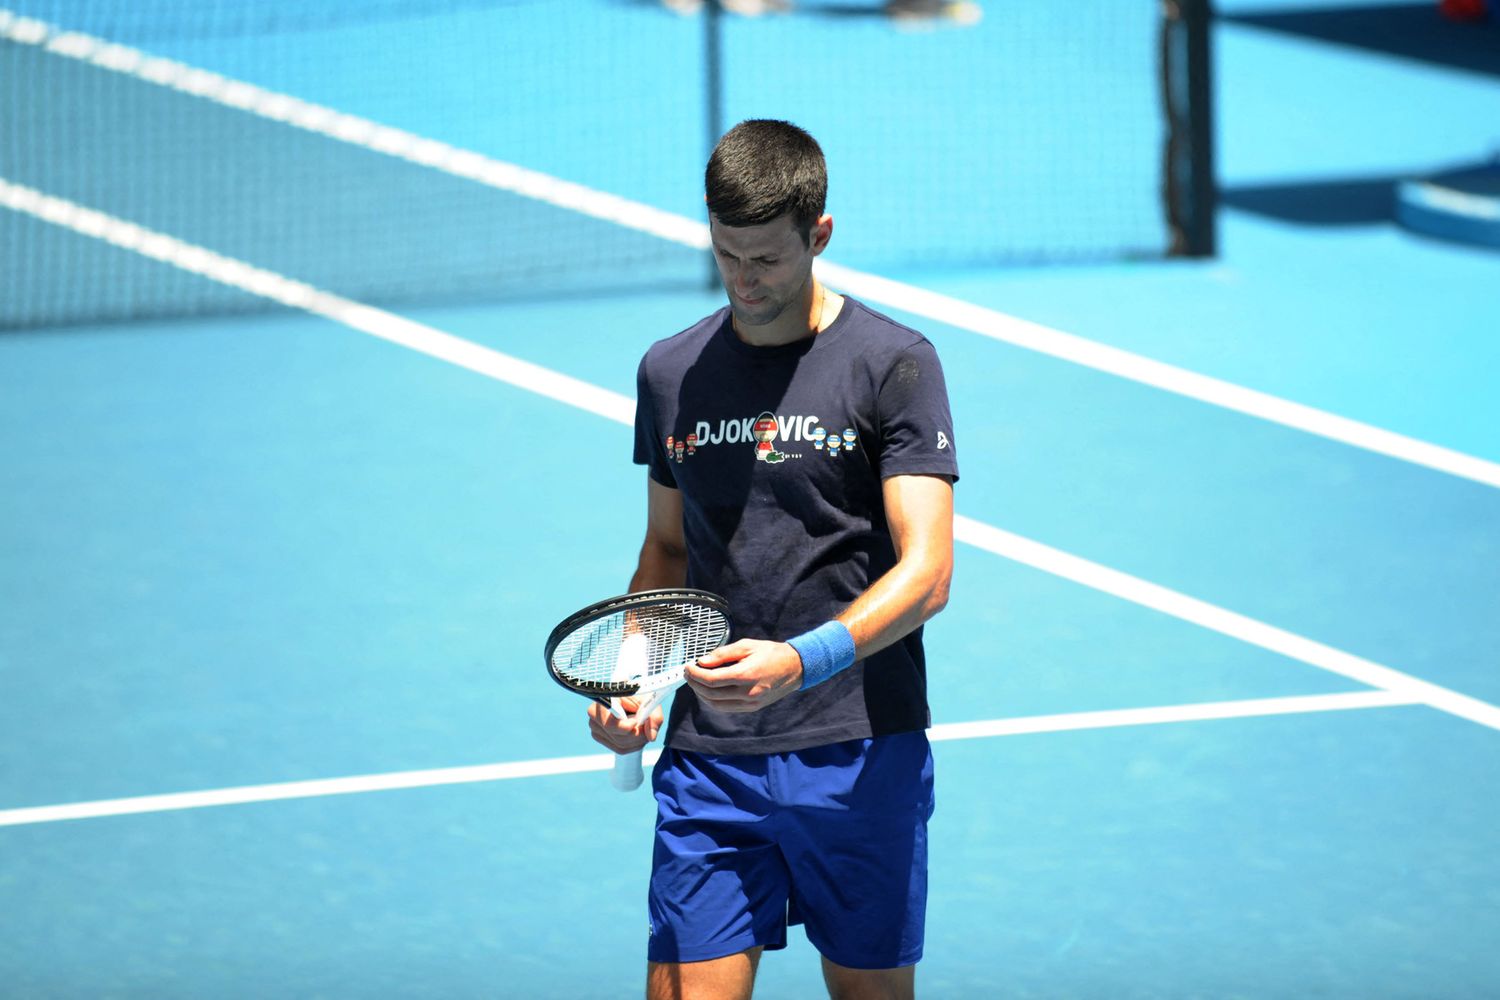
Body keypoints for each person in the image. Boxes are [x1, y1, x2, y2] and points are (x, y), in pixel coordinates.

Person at [588, 119, 958, 1000]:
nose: (744, 279)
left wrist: (799, 663)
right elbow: (666, 549)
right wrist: (634, 677)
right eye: (726, 254)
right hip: (710, 758)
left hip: (858, 750)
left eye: (766, 259)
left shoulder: (894, 365)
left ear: (818, 234)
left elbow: (929, 573)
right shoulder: (670, 371)